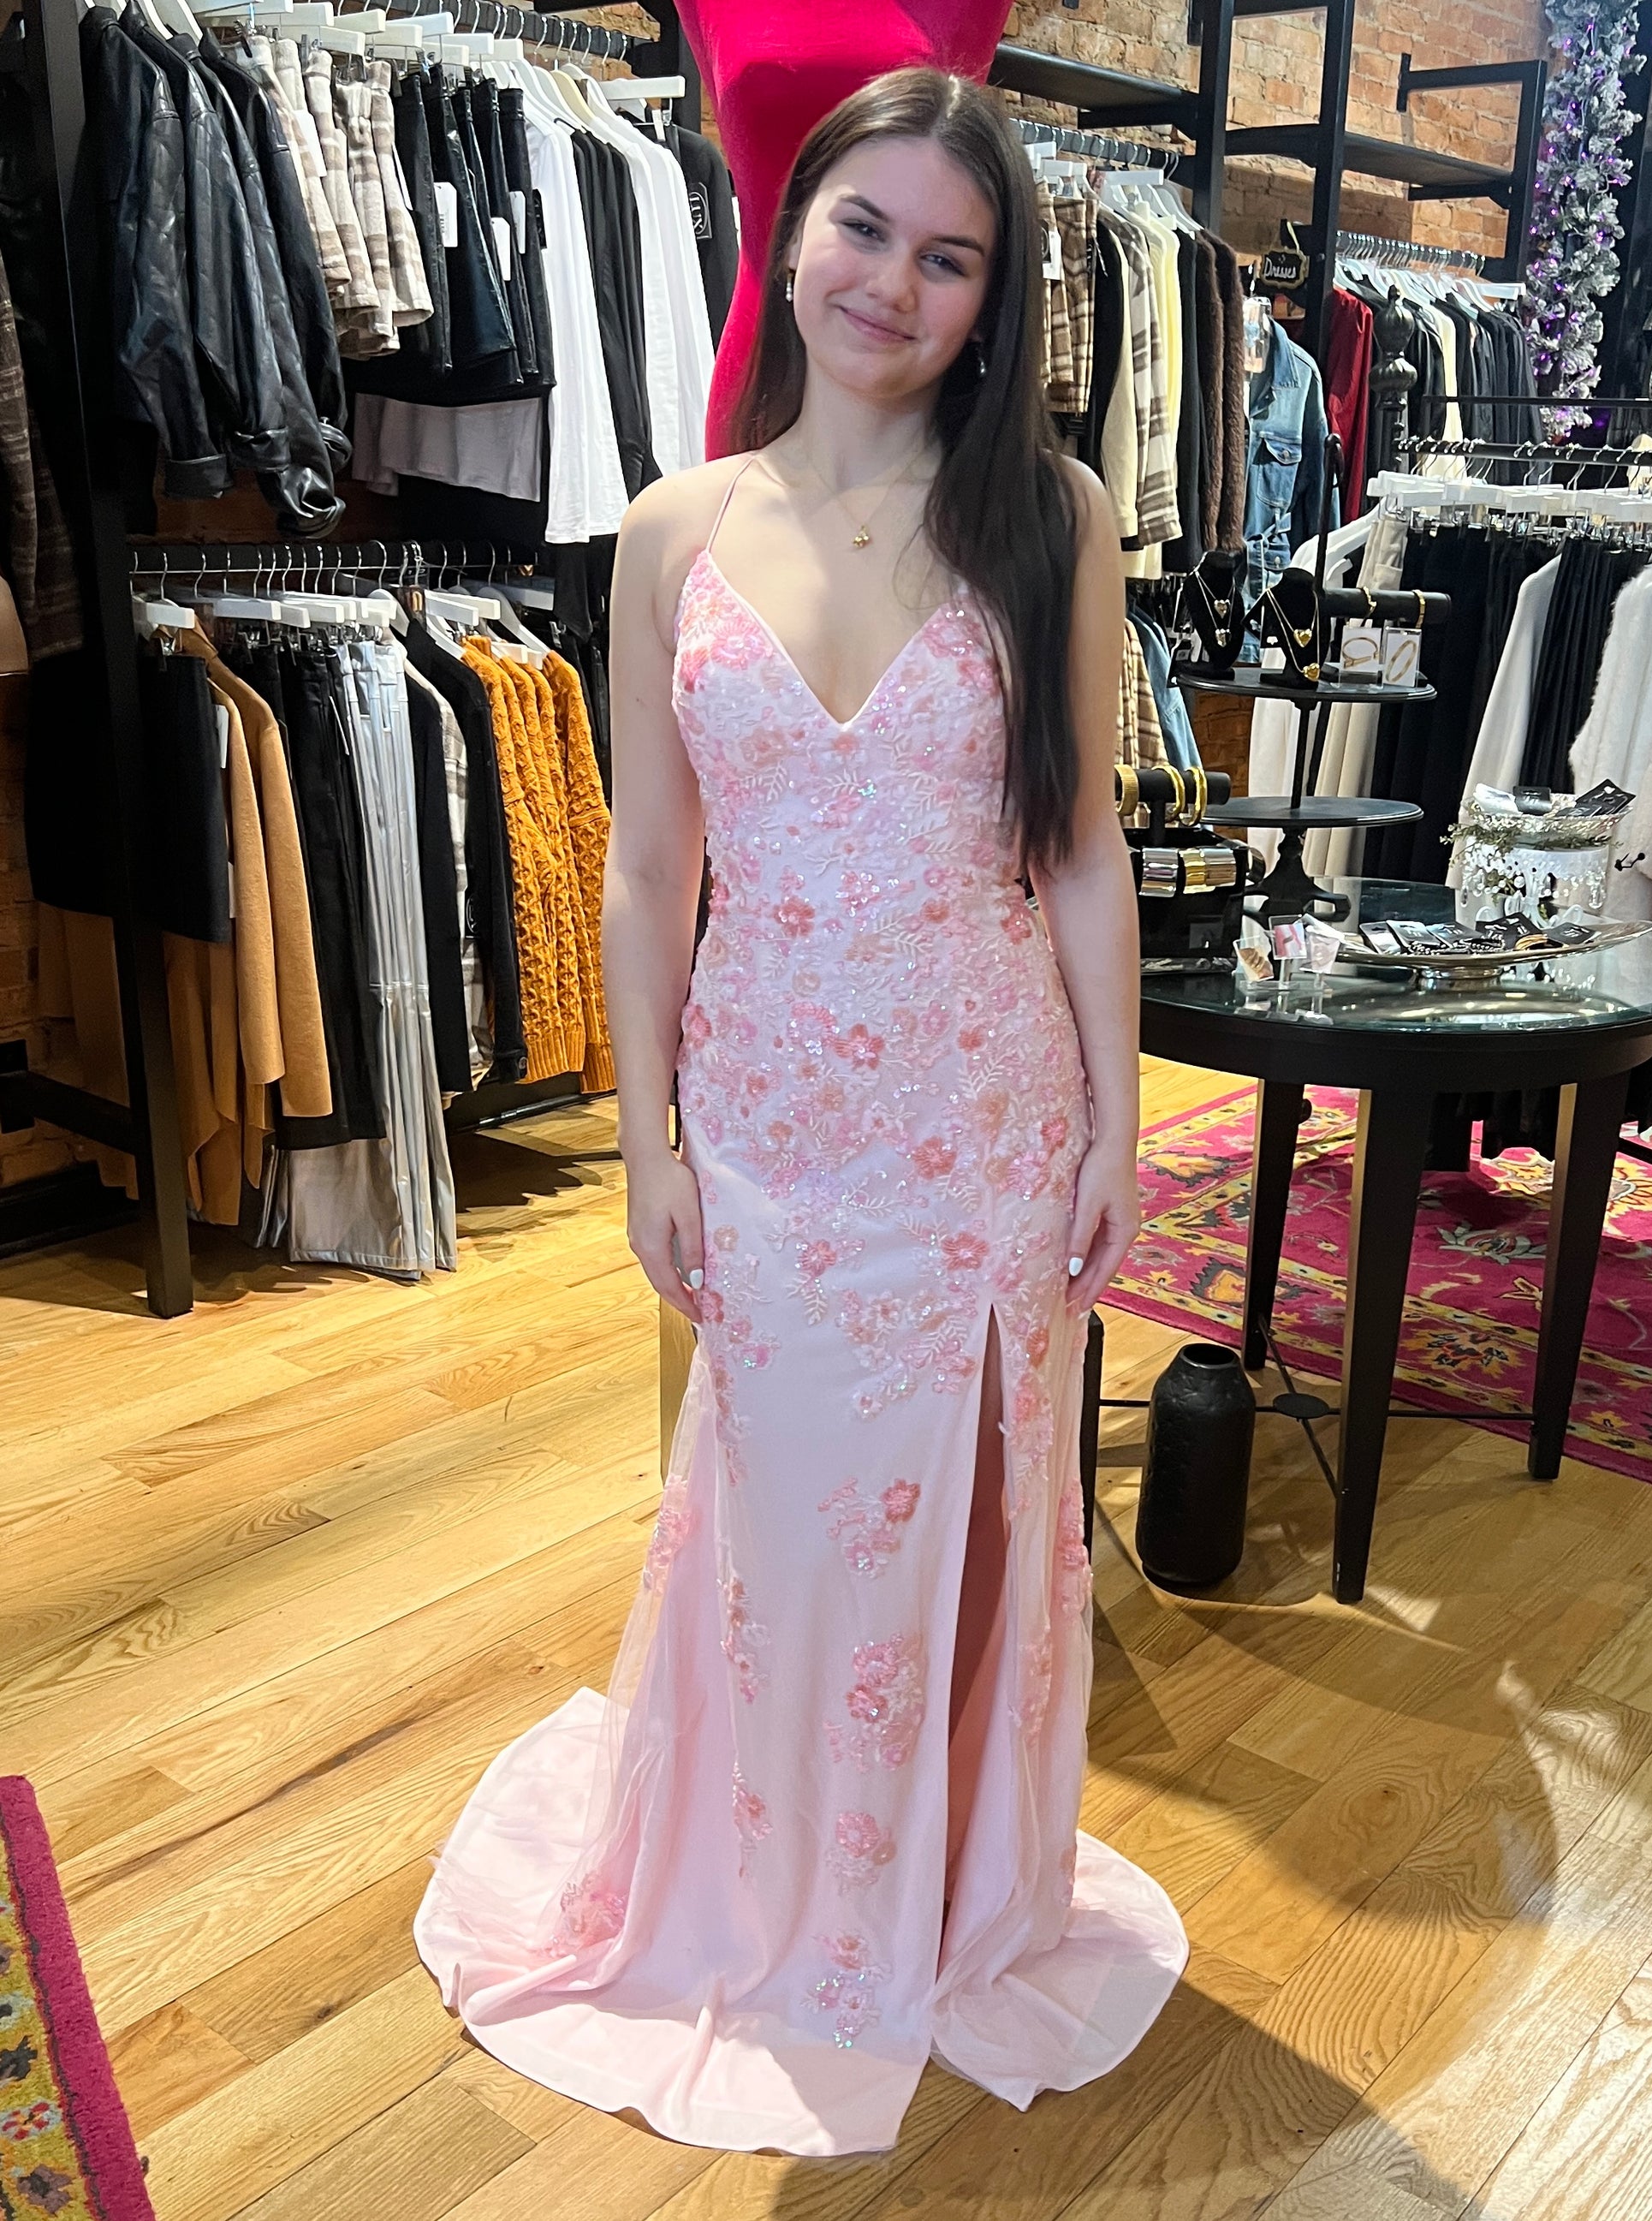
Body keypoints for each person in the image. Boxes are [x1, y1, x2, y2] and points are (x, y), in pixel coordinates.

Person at [414, 67, 1188, 2158]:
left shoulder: (1056, 524)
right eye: (866, 229)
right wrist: (646, 1143)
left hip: (981, 1118)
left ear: (992, 294)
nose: (893, 283)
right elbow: (651, 866)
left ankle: (938, 1892)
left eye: (948, 256)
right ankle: (760, 1885)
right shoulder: (678, 527)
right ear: (791, 226)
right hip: (761, 1126)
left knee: (974, 1513)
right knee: (774, 1518)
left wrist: (1122, 1125)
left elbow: (1087, 849)